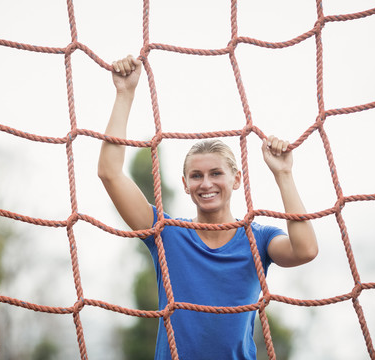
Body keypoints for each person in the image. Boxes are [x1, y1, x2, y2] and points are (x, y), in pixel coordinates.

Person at [98, 55, 318, 360]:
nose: (206, 184)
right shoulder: (167, 235)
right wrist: (125, 94)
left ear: (236, 179)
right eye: (196, 176)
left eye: (216, 173)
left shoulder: (259, 239)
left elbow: (305, 250)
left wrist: (283, 174)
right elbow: (110, 173)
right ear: (185, 184)